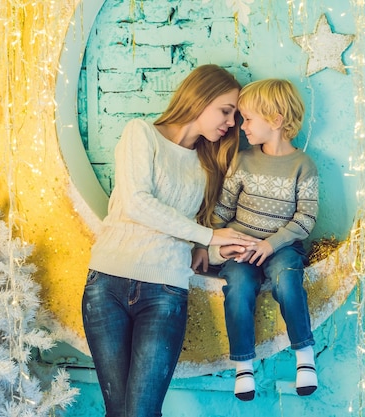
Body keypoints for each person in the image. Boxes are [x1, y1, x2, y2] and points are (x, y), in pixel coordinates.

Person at [81, 64, 259, 417]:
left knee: (143, 412)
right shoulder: (140, 133)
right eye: (225, 110)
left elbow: (190, 229)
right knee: (116, 412)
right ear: (200, 96)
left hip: (165, 291)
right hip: (106, 285)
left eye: (235, 117)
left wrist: (212, 246)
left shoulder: (208, 164)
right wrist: (206, 236)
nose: (230, 123)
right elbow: (136, 203)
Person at [192, 78, 319, 400]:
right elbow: (223, 209)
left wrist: (270, 244)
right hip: (242, 248)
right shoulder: (244, 160)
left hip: (282, 248)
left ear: (275, 121)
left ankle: (304, 358)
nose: (241, 125)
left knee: (288, 281)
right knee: (238, 287)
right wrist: (211, 243)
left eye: (248, 119)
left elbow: (305, 219)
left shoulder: (303, 166)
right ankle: (243, 366)